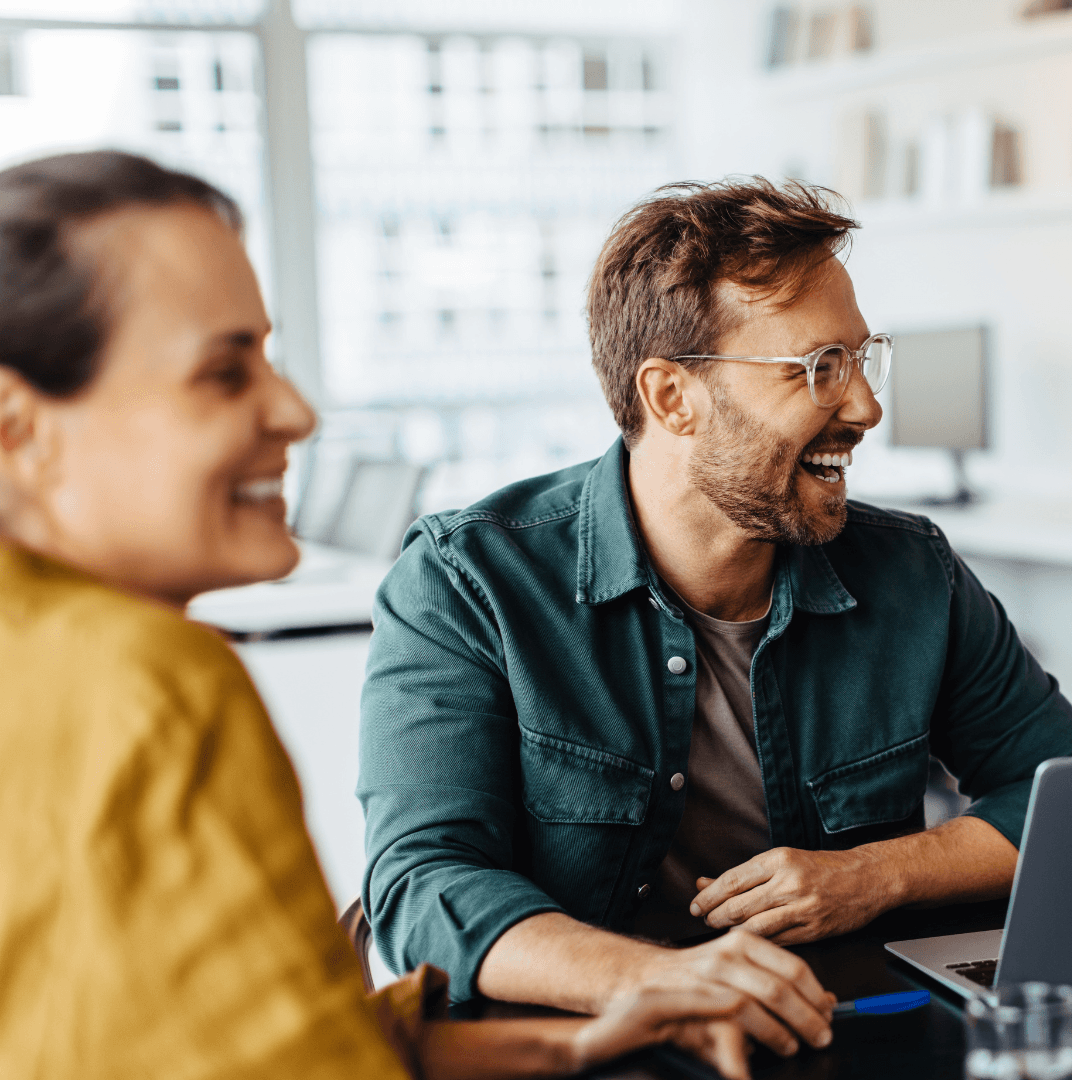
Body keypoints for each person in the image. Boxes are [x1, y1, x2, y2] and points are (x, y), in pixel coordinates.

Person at [0, 151, 753, 1078]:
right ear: (17, 428)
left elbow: (151, 1029)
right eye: (225, 373)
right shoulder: (146, 680)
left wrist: (566, 1041)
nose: (295, 412)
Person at [357, 178, 1072, 1043]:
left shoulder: (912, 571)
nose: (865, 406)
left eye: (863, 358)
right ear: (673, 397)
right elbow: (422, 881)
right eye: (820, 368)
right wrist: (664, 981)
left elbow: (1070, 800)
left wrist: (874, 874)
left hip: (837, 1037)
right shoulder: (466, 581)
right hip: (580, 1055)